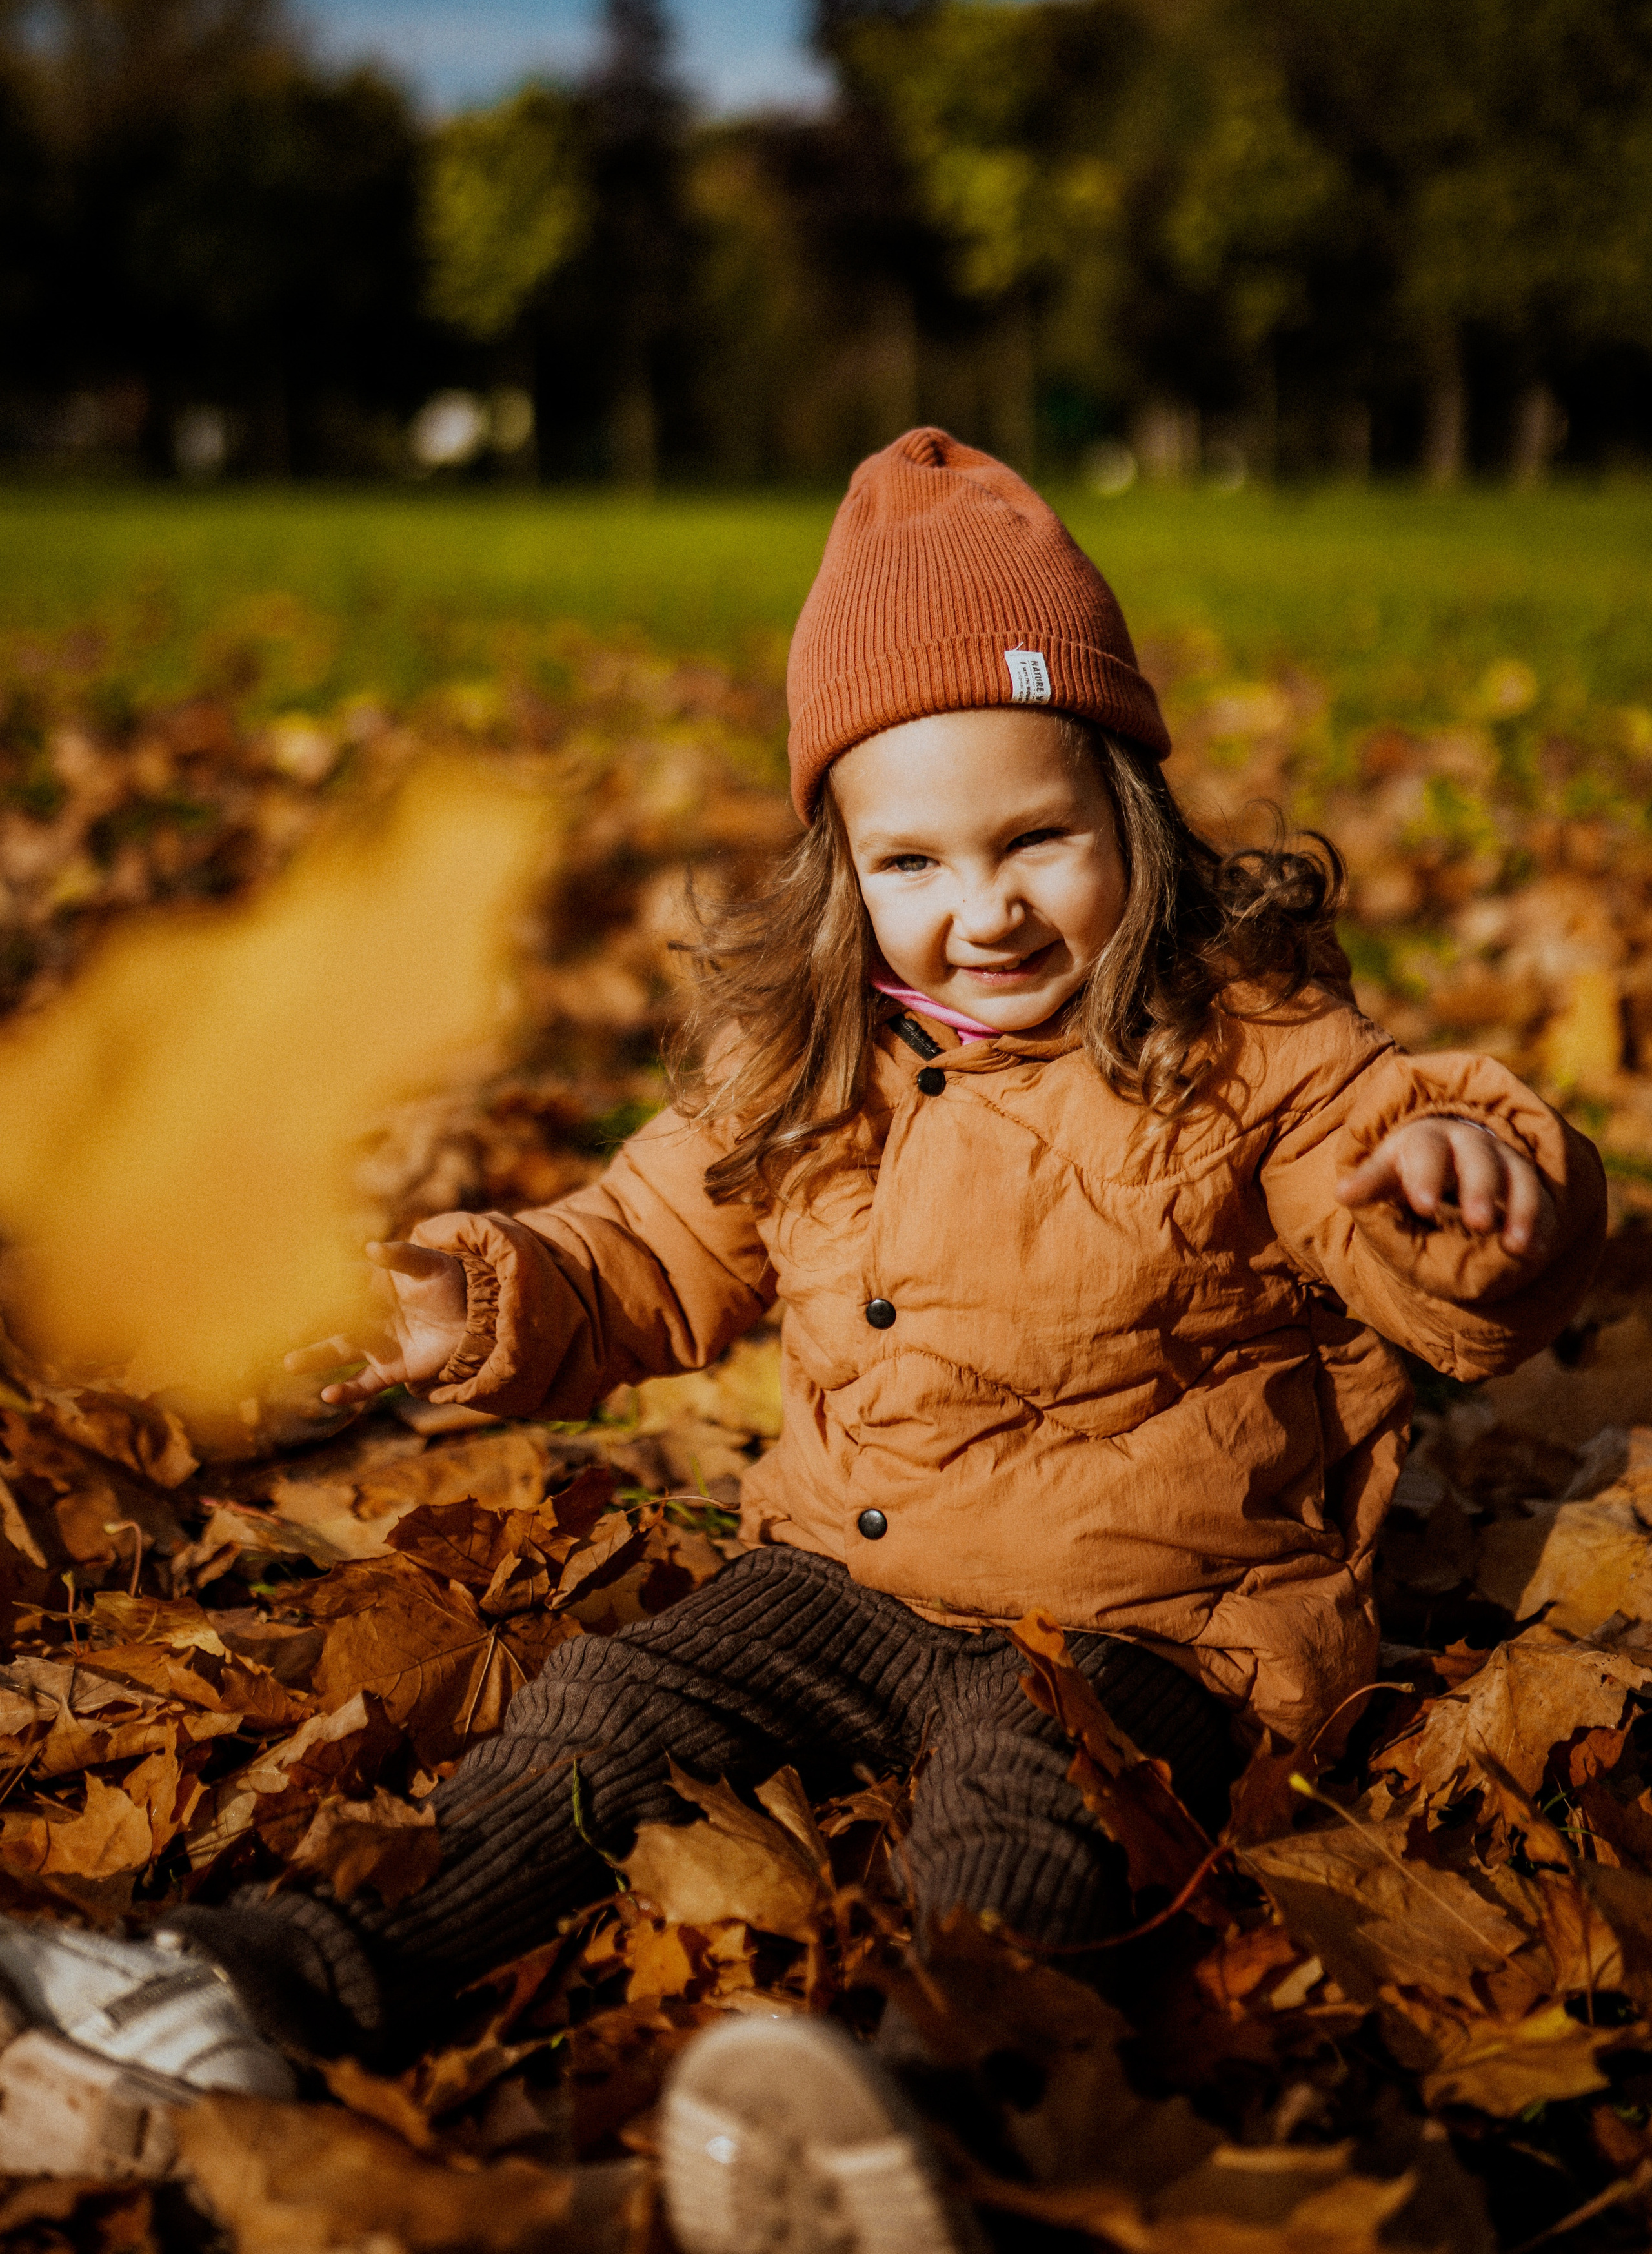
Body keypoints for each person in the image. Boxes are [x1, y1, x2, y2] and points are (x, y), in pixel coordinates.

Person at [0, 430, 1607, 2251]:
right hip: (845, 1575)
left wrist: (1468, 1186)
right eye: (913, 854)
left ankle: (910, 2116)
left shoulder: (1246, 1051)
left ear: (1131, 814)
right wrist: (485, 1293)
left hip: (1151, 1621)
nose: (980, 905)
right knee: (615, 1702)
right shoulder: (812, 1062)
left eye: (1034, 841)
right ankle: (279, 1976)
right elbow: (641, 1245)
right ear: (844, 865)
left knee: (1017, 1816)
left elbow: (1410, 1222)